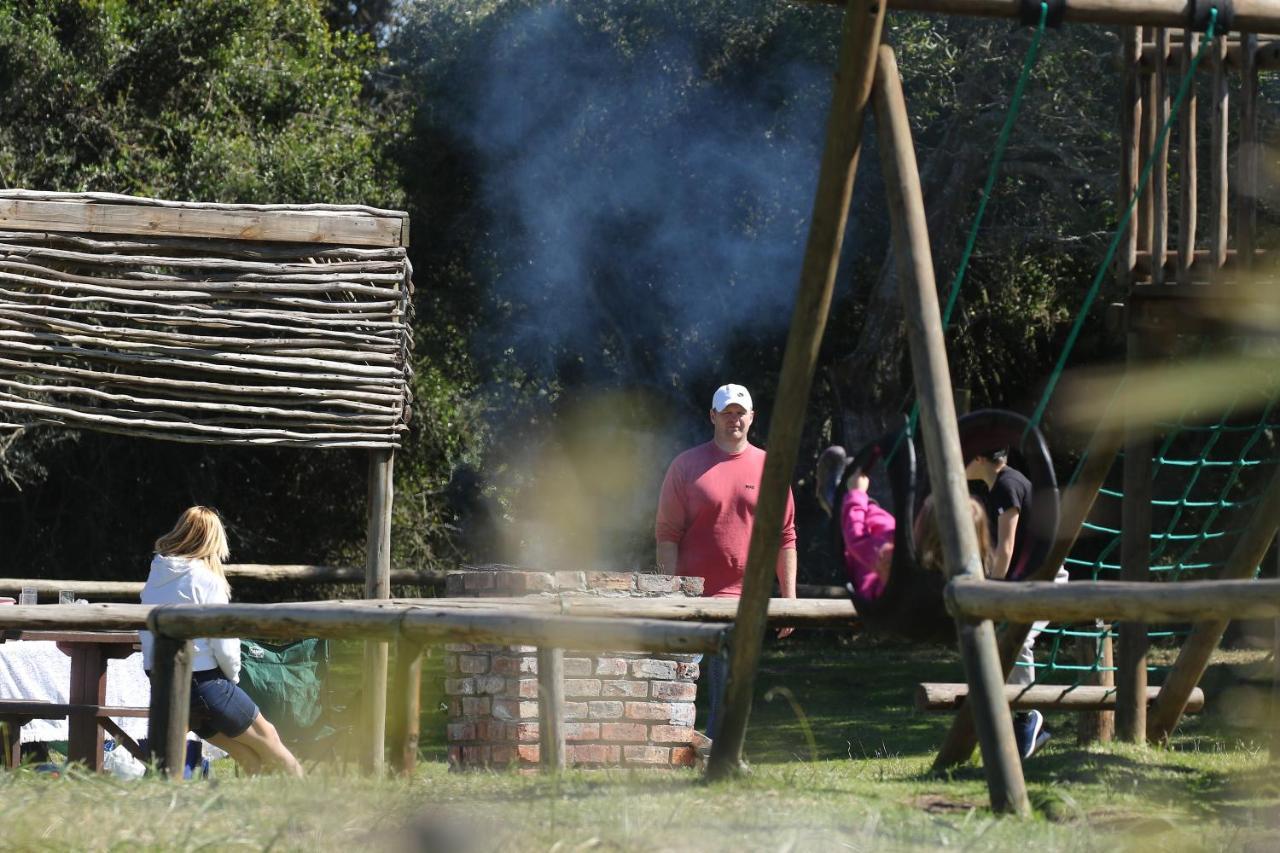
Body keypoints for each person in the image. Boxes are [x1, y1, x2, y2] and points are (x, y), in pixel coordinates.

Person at [655, 384, 798, 739]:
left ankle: (720, 754)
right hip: (691, 597)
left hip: (743, 598)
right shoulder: (686, 465)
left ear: (751, 418)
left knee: (729, 684)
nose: (734, 419)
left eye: (740, 413)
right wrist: (668, 593)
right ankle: (668, 749)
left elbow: (785, 536)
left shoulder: (770, 467)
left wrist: (790, 598)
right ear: (712, 416)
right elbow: (667, 535)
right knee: (674, 682)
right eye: (727, 413)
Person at [140, 506, 304, 777]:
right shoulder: (207, 580)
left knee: (245, 754)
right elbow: (224, 642)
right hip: (205, 682)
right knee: (271, 741)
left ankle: (239, 809)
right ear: (213, 539)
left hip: (163, 681)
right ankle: (314, 800)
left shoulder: (156, 573)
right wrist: (233, 679)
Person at [966, 447, 1066, 759]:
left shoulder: (1008, 484)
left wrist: (993, 591)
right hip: (1027, 583)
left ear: (980, 458)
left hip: (1046, 582)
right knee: (999, 640)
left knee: (1016, 636)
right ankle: (1018, 721)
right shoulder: (1000, 486)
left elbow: (1006, 550)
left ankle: (1028, 717)